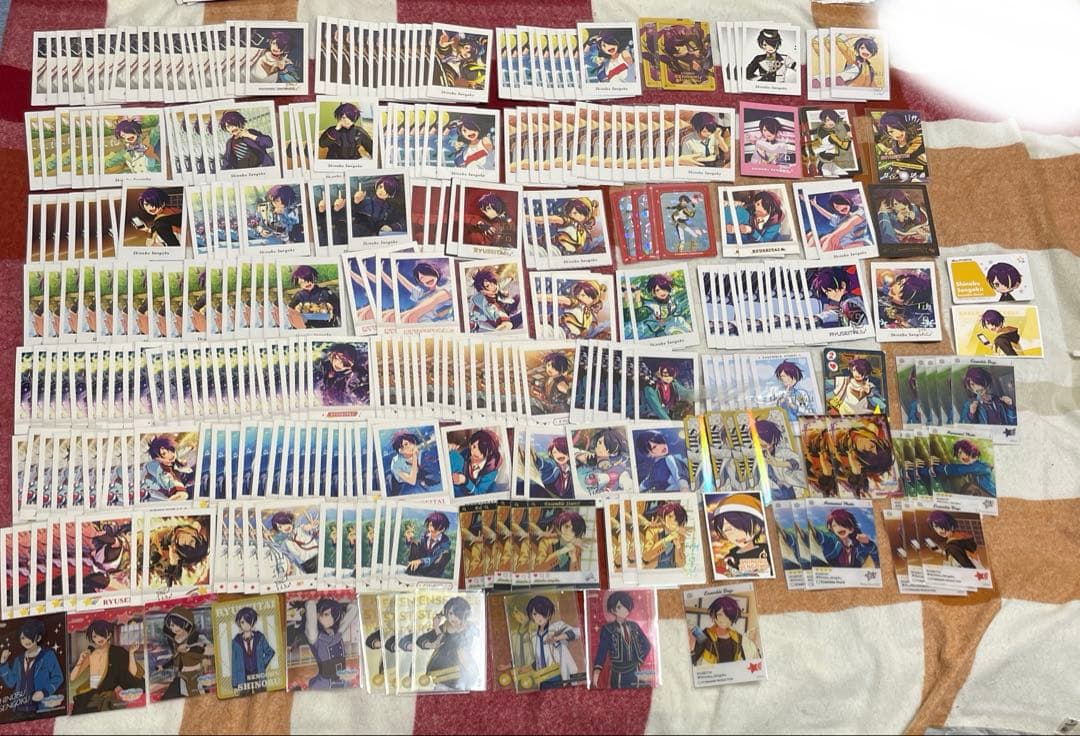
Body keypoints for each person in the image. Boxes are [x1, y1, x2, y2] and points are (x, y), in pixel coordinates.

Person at [69, 620, 143, 713]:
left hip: (109, 692)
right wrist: (80, 660)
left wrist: (131, 653)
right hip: (91, 691)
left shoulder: (118, 651)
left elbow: (133, 673)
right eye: (95, 636)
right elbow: (72, 677)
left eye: (102, 634)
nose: (99, 638)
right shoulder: (91, 654)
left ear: (109, 635)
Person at [414, 597, 481, 691]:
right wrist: (432, 643)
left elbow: (459, 643)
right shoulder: (445, 627)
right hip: (440, 674)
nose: (453, 618)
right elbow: (421, 640)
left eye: (458, 614)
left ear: (465, 615)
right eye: (450, 613)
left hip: (461, 673)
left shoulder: (471, 629)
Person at [0, 619, 64, 716]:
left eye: (29, 636)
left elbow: (58, 677)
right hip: (19, 709)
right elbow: (11, 683)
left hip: (39, 708)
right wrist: (3, 663)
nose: (26, 641)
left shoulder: (48, 656)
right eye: (22, 638)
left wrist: (44, 692)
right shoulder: (18, 660)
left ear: (38, 638)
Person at [591, 592, 652, 688]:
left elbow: (647, 644)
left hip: (635, 671)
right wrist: (595, 677)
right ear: (613, 610)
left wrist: (639, 661)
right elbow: (601, 653)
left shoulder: (634, 626)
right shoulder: (608, 629)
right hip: (618, 674)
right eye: (619, 607)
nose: (624, 610)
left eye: (626, 606)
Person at [525, 596, 580, 689]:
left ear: (549, 612)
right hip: (543, 680)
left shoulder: (557, 627)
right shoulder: (533, 636)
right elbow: (539, 659)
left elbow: (577, 632)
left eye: (542, 612)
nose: (538, 617)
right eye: (535, 614)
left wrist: (557, 638)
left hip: (560, 677)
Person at [304, 598, 359, 689]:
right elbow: (311, 623)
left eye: (332, 615)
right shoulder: (315, 637)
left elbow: (351, 614)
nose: (330, 619)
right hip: (324, 684)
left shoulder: (338, 633)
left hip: (343, 682)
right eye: (326, 614)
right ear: (317, 615)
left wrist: (352, 605)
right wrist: (311, 604)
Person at [159, 607, 211, 699]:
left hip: (196, 676)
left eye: (177, 624)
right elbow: (175, 658)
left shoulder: (198, 637)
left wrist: (190, 649)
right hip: (180, 677)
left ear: (186, 623)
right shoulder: (174, 641)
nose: (174, 628)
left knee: (200, 700)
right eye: (171, 626)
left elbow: (211, 650)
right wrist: (163, 667)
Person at [690, 596, 758, 664]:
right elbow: (692, 661)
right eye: (720, 614)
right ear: (713, 614)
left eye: (728, 615)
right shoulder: (704, 634)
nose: (724, 619)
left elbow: (748, 660)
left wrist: (754, 644)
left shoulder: (738, 637)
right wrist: (691, 646)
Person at [712, 502, 771, 576]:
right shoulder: (728, 559)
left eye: (741, 527)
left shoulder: (768, 551)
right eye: (728, 530)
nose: (737, 535)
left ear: (756, 527)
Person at [812, 508, 879, 567]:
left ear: (851, 529)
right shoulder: (833, 543)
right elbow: (824, 538)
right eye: (835, 525)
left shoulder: (859, 547)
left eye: (843, 524)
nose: (839, 527)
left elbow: (875, 553)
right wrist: (816, 533)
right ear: (832, 530)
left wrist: (868, 543)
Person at [573, 428, 633, 494]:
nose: (599, 446)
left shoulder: (620, 472)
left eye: (601, 443)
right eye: (599, 442)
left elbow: (630, 489)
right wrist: (578, 455)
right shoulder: (588, 458)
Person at [230, 607, 275, 694]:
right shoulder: (236, 642)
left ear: (253, 621)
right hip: (243, 678)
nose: (246, 625)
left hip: (258, 676)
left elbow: (270, 652)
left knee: (262, 697)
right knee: (244, 699)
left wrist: (262, 663)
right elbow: (234, 663)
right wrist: (235, 685)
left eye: (248, 621)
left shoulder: (260, 638)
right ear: (239, 623)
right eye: (242, 622)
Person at [634, 274, 692, 338]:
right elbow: (642, 315)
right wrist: (637, 297)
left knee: (684, 325)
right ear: (653, 292)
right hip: (665, 327)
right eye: (658, 290)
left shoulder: (671, 298)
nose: (662, 292)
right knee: (672, 331)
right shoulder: (651, 305)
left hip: (676, 320)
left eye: (664, 288)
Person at [874, 112, 927, 181]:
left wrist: (889, 155)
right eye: (891, 132)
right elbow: (882, 147)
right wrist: (887, 151)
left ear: (904, 126)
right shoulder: (893, 143)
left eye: (899, 128)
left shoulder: (917, 140)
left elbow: (906, 155)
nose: (897, 134)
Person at [449, 429, 502, 497]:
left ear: (490, 452)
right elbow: (456, 464)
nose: (475, 452)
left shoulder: (491, 471)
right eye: (474, 446)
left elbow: (479, 493)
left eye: (481, 450)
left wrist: (465, 481)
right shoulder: (466, 453)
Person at [140, 435, 194, 502]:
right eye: (164, 453)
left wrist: (189, 448)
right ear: (157, 459)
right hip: (156, 490)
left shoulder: (171, 459)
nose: (171, 454)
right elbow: (169, 482)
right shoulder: (160, 470)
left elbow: (179, 453)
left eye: (171, 450)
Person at [468, 268, 520, 333]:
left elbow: (500, 285)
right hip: (499, 320)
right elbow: (504, 321)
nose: (494, 286)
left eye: (493, 282)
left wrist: (510, 279)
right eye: (487, 286)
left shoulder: (492, 289)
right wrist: (505, 324)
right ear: (482, 291)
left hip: (502, 307)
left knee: (516, 298)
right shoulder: (489, 305)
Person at [267, 510, 320, 575]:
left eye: (284, 523)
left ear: (290, 520)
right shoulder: (287, 543)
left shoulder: (300, 529)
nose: (284, 527)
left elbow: (307, 527)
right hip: (306, 566)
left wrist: (311, 526)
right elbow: (286, 555)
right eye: (280, 527)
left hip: (317, 558)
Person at [640, 502, 688, 569]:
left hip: (671, 571)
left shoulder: (680, 536)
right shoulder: (652, 531)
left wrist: (678, 547)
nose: (672, 521)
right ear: (664, 517)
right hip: (654, 571)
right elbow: (646, 557)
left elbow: (682, 564)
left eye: (676, 519)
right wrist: (667, 539)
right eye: (670, 516)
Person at [405, 512, 452, 578]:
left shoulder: (445, 542)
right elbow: (415, 548)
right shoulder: (424, 536)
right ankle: (411, 568)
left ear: (443, 529)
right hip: (420, 567)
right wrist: (408, 539)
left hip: (433, 571)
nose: (432, 529)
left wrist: (421, 561)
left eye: (436, 527)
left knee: (446, 554)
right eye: (431, 525)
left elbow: (435, 558)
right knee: (415, 543)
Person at [810, 109, 855, 175]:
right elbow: (845, 147)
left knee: (845, 175)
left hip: (830, 163)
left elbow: (813, 131)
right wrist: (848, 135)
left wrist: (847, 128)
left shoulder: (822, 127)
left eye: (833, 120)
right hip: (823, 165)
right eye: (828, 120)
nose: (831, 122)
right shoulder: (832, 136)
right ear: (824, 120)